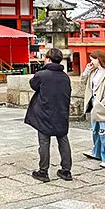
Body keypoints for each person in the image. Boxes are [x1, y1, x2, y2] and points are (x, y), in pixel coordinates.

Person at [25, 48, 73, 182]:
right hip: (61, 113)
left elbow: (33, 85)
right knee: (63, 141)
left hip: (44, 114)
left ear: (48, 59)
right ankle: (66, 170)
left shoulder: (42, 75)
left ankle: (43, 171)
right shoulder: (65, 77)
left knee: (44, 143)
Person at [81, 50, 105, 168]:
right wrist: (87, 70)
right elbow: (83, 81)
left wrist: (102, 105)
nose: (91, 61)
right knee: (95, 131)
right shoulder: (93, 72)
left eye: (93, 59)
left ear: (99, 59)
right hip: (94, 105)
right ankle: (97, 152)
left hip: (103, 107)